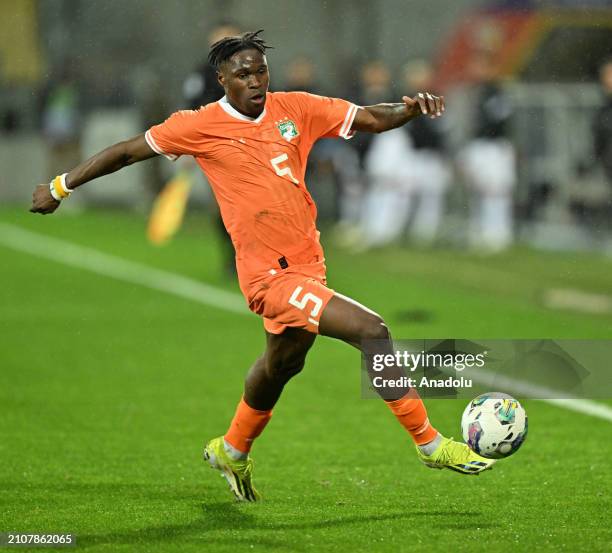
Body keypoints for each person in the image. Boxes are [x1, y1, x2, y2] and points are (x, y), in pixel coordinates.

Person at [31, 31, 494, 502]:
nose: (255, 82)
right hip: (269, 277)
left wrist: (410, 109)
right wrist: (62, 185)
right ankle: (430, 444)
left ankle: (232, 449)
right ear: (222, 80)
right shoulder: (197, 124)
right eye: (243, 74)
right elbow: (127, 150)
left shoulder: (295, 108)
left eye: (260, 71)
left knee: (281, 365)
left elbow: (370, 117)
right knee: (372, 330)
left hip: (310, 265)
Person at [458, 51, 516, 252]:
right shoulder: (476, 92)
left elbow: (501, 123)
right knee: (478, 191)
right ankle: (479, 231)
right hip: (479, 146)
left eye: (483, 66)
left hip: (495, 147)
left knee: (496, 191)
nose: (478, 70)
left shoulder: (498, 92)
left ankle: (498, 234)